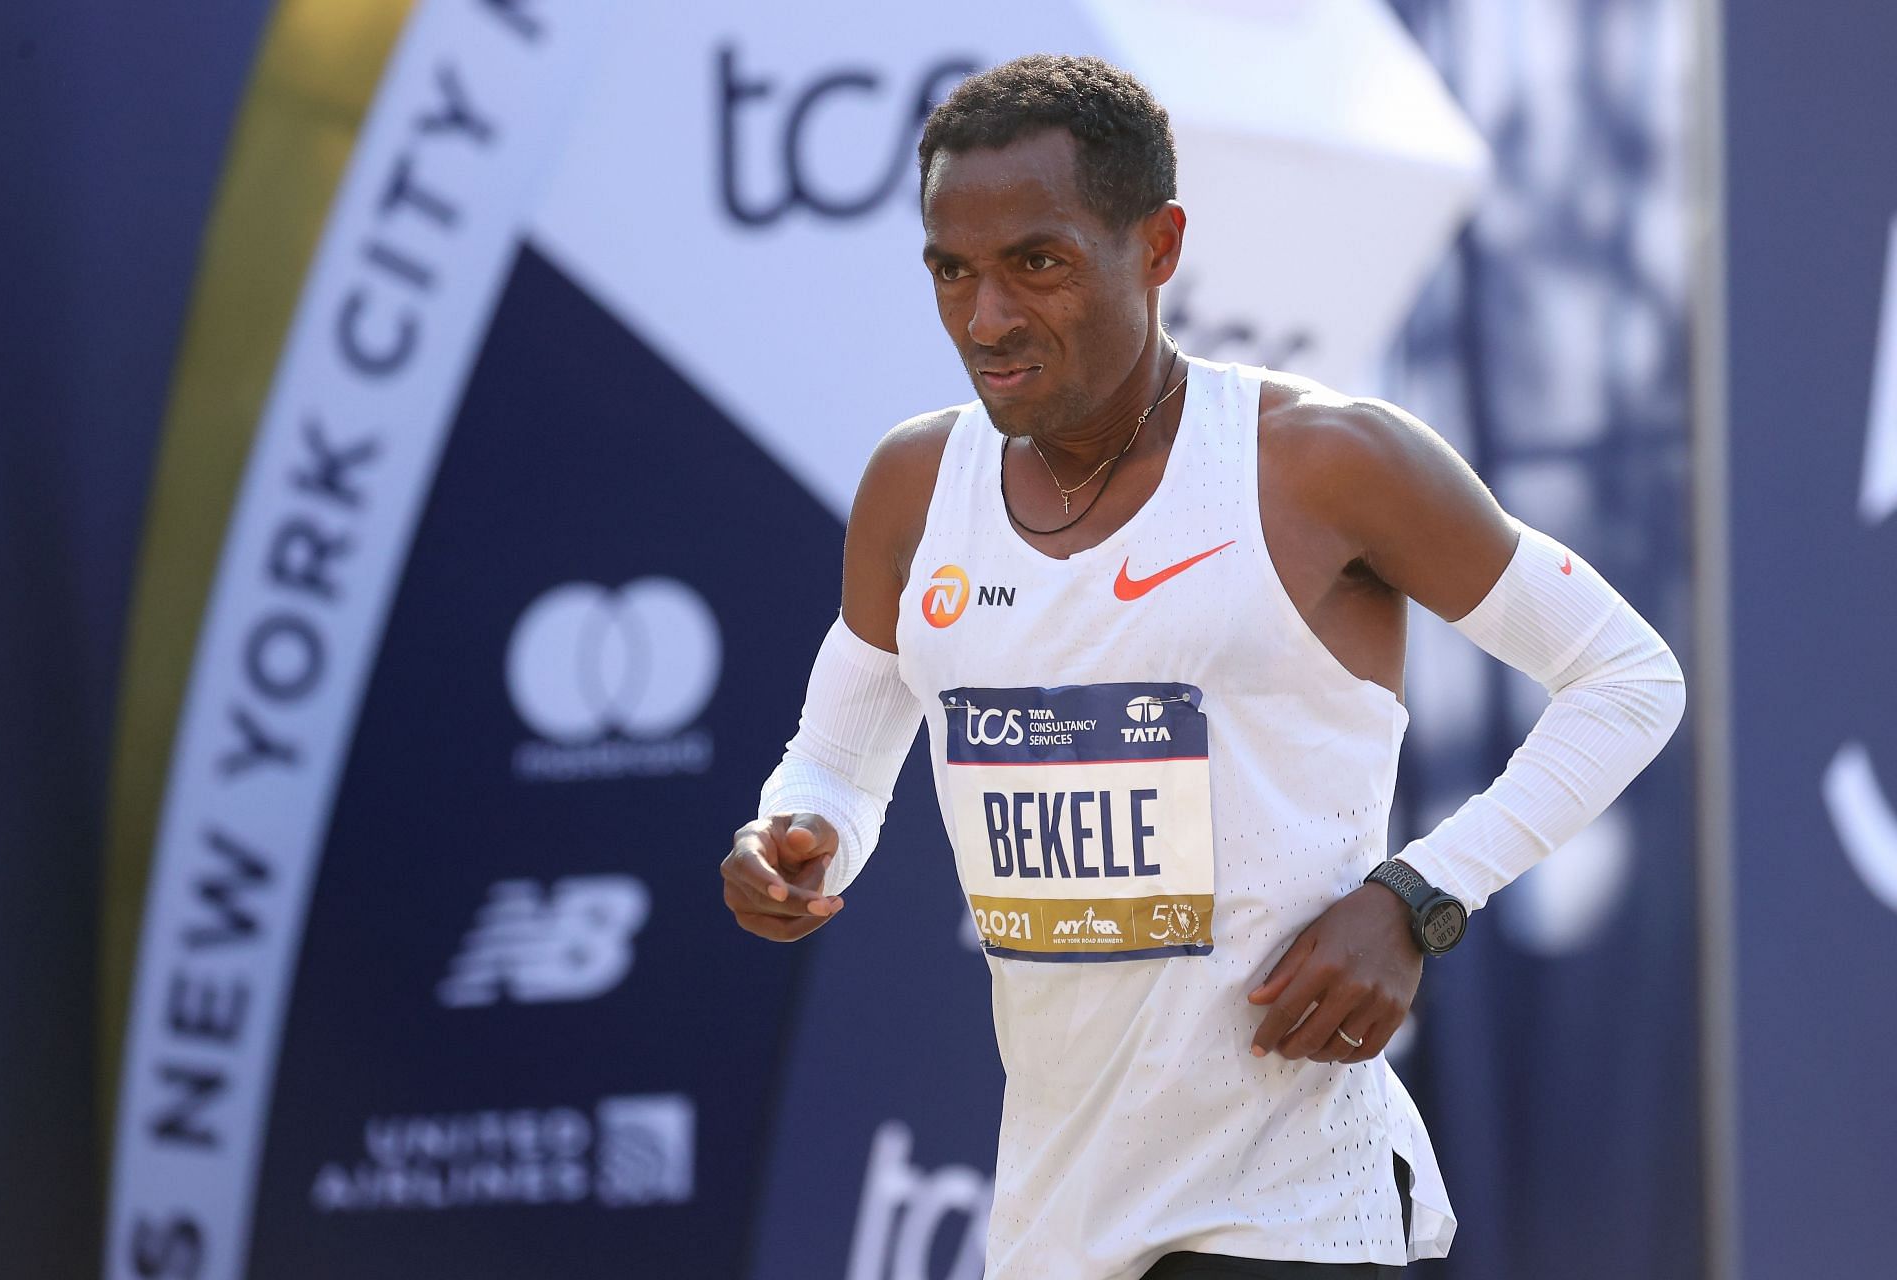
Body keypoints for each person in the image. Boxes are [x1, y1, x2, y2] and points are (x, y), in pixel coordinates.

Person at [719, 54, 1685, 1280]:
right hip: (1057, 1214)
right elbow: (837, 761)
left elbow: (1628, 676)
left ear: (1159, 244)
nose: (988, 318)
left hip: (1287, 1204)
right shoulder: (917, 486)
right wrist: (800, 835)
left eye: (1040, 261)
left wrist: (1418, 895)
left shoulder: (1324, 461)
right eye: (952, 271)